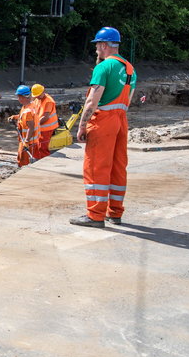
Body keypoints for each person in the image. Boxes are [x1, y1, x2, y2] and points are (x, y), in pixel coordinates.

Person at [70, 27, 136, 228]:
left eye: (97, 45)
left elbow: (92, 101)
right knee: (117, 166)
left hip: (103, 121)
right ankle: (115, 212)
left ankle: (95, 215)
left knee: (96, 166)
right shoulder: (130, 69)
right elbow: (129, 100)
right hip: (121, 120)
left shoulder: (103, 67)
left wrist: (82, 126)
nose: (96, 49)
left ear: (104, 45)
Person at [9, 85, 37, 167]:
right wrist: (15, 117)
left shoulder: (28, 111)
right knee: (21, 157)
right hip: (27, 140)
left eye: (20, 97)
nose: (18, 99)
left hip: (28, 141)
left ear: (25, 97)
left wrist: (27, 141)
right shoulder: (28, 106)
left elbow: (31, 127)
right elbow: (22, 116)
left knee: (23, 160)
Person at [31, 84, 58, 160]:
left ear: (43, 91)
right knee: (35, 145)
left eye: (38, 95)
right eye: (36, 95)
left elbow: (45, 117)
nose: (37, 97)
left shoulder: (48, 101)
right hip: (40, 127)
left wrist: (34, 124)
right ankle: (36, 160)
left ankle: (45, 162)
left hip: (47, 128)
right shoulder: (37, 99)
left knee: (43, 147)